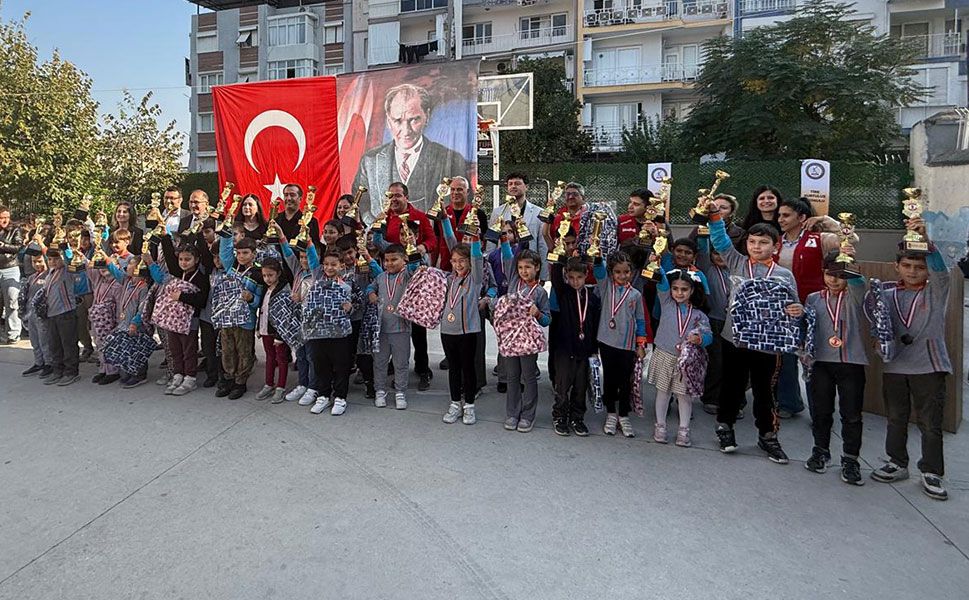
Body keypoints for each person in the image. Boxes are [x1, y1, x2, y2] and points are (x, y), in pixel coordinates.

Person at [707, 199, 803, 464]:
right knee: (732, 386)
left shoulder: (783, 275)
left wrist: (796, 310)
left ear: (775, 246)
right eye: (752, 242)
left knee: (764, 390)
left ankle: (768, 435)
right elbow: (719, 240)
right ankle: (725, 427)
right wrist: (714, 214)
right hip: (734, 338)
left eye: (763, 243)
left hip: (768, 344)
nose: (756, 247)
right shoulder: (737, 264)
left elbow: (794, 304)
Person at [870, 218, 952, 501]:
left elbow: (942, 272)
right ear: (897, 267)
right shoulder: (887, 293)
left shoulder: (936, 291)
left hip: (928, 367)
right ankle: (897, 462)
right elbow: (877, 323)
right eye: (907, 266)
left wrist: (925, 240)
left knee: (930, 423)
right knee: (896, 418)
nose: (913, 272)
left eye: (919, 267)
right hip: (895, 366)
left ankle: (931, 472)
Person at [353, 83, 470, 220]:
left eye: (414, 120)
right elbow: (361, 204)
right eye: (397, 120)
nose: (406, 130)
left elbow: (460, 207)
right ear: (388, 120)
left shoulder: (451, 160)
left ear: (427, 116)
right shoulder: (370, 161)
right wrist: (376, 227)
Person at [774, 197, 845, 418]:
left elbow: (850, 238)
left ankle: (820, 411)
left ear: (802, 217)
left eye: (786, 215)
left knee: (812, 361)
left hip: (812, 308)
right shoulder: (775, 241)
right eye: (779, 215)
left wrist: (825, 219)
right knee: (785, 358)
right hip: (784, 310)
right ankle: (789, 403)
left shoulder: (820, 239)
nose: (781, 219)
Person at [803, 251, 867, 486]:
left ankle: (851, 459)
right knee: (821, 411)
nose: (834, 280)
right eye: (830, 274)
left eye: (841, 275)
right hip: (821, 362)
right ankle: (820, 450)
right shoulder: (813, 298)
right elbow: (807, 329)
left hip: (850, 362)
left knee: (851, 414)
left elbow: (859, 283)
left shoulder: (855, 295)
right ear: (823, 273)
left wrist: (850, 261)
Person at [373, 181, 436, 390]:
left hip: (415, 279)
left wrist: (421, 247)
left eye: (398, 195)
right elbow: (379, 244)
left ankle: (422, 368)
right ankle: (394, 363)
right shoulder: (385, 217)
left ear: (406, 197)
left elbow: (432, 240)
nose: (394, 199)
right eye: (391, 196)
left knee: (418, 329)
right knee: (393, 325)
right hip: (393, 280)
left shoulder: (419, 216)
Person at [650, 267, 712, 448]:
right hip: (665, 355)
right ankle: (660, 425)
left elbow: (709, 335)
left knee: (684, 396)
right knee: (663, 392)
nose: (679, 293)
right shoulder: (666, 303)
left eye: (684, 289)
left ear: (692, 290)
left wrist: (700, 339)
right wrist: (658, 262)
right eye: (675, 288)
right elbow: (661, 282)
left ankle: (684, 429)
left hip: (686, 362)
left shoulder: (699, 314)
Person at [435, 176, 489, 371]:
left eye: (461, 189)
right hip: (456, 298)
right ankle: (454, 363)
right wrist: (443, 218)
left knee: (476, 341)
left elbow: (490, 284)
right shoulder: (456, 258)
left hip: (475, 303)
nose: (456, 193)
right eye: (454, 189)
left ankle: (477, 380)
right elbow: (448, 237)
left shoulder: (479, 262)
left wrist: (489, 296)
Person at [496, 244, 550, 433]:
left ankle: (528, 415)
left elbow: (547, 320)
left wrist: (537, 314)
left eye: (528, 267)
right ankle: (512, 413)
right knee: (511, 377)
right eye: (520, 267)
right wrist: (503, 237)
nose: (523, 271)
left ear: (537, 268)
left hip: (528, 342)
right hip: (510, 340)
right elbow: (508, 255)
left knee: (528, 377)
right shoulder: (513, 283)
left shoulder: (540, 292)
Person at [592, 250, 647, 438]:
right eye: (617, 272)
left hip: (627, 344)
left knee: (625, 381)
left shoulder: (636, 295)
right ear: (611, 273)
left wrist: (640, 343)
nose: (622, 276)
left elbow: (640, 320)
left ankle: (624, 414)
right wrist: (597, 256)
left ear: (631, 272)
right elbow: (598, 270)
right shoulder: (606, 286)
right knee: (610, 378)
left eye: (626, 272)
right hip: (606, 341)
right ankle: (611, 414)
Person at [150, 234, 210, 396]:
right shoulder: (178, 272)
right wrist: (164, 236)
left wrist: (182, 297)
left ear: (196, 260)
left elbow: (201, 300)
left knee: (188, 349)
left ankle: (190, 377)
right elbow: (169, 255)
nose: (184, 262)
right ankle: (178, 375)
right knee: (174, 348)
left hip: (190, 321)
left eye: (188, 259)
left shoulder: (201, 278)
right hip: (172, 319)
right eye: (181, 259)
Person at [439, 217, 484, 426]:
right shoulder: (449, 279)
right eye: (455, 261)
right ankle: (455, 403)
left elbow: (476, 259)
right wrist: (444, 220)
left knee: (468, 368)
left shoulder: (475, 279)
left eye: (462, 261)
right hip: (447, 330)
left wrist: (474, 238)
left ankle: (469, 406)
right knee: (454, 369)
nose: (458, 264)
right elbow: (450, 242)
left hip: (468, 332)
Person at [548, 257, 600, 437]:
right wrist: (560, 254)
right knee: (562, 386)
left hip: (584, 350)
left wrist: (594, 349)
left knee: (580, 387)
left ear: (586, 275)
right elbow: (555, 276)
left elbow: (594, 325)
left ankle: (577, 417)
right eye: (571, 277)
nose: (575, 281)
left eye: (579, 277)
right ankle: (560, 416)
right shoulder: (563, 293)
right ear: (566, 277)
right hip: (565, 349)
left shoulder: (592, 298)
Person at [302, 244, 355, 416]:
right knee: (320, 364)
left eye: (334, 264)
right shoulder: (318, 281)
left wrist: (350, 307)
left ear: (341, 266)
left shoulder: (347, 286)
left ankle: (340, 397)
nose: (329, 268)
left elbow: (359, 303)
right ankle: (323, 395)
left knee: (340, 365)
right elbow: (311, 259)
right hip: (318, 333)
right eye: (326, 264)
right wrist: (309, 243)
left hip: (339, 334)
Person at [367, 244, 418, 410]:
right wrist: (371, 293)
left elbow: (415, 266)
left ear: (404, 259)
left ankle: (400, 391)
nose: (389, 263)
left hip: (401, 328)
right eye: (386, 260)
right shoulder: (381, 277)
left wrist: (412, 244)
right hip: (381, 329)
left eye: (394, 259)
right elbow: (370, 287)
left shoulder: (407, 275)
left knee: (401, 362)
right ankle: (380, 390)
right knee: (380, 362)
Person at [217, 234, 265, 400]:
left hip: (245, 320)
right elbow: (224, 251)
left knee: (244, 352)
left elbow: (260, 300)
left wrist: (251, 298)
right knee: (227, 350)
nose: (241, 256)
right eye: (238, 253)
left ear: (254, 253)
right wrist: (226, 232)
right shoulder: (231, 267)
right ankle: (229, 379)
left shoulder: (258, 273)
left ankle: (240, 382)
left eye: (245, 253)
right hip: (227, 317)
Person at [489, 173, 549, 281]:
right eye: (510, 184)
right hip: (503, 264)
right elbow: (491, 242)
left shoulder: (538, 212)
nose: (513, 186)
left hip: (529, 267)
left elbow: (542, 245)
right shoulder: (498, 212)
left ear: (526, 186)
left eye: (517, 183)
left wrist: (543, 275)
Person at [695, 236, 731, 416]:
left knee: (732, 362)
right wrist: (704, 229)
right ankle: (711, 397)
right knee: (716, 360)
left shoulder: (735, 270)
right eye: (716, 253)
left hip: (732, 322)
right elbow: (703, 250)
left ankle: (734, 399)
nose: (720, 257)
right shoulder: (707, 268)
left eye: (723, 253)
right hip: (714, 320)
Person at [106, 254, 151, 388]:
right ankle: (129, 373)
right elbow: (114, 270)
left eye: (131, 264)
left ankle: (140, 375)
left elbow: (143, 307)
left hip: (136, 325)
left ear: (139, 267)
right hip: (124, 322)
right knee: (128, 349)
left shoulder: (143, 287)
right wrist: (104, 257)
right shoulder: (126, 281)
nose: (127, 266)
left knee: (137, 349)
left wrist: (135, 322)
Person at [44, 247, 83, 386]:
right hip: (51, 314)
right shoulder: (50, 272)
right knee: (55, 344)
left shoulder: (66, 271)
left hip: (66, 312)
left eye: (56, 259)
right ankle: (57, 370)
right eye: (50, 259)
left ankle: (71, 372)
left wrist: (64, 248)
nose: (53, 262)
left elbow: (68, 259)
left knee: (68, 344)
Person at [254, 258, 290, 403]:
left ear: (278, 274)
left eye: (270, 275)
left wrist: (280, 335)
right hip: (265, 329)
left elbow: (284, 315)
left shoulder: (283, 290)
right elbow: (262, 309)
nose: (267, 279)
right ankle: (269, 384)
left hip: (277, 333)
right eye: (264, 275)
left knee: (281, 359)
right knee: (269, 357)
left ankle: (280, 387)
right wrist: (258, 327)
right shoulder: (265, 289)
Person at [22, 252, 52, 377]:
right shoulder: (31, 277)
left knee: (44, 339)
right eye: (34, 262)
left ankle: (48, 363)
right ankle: (38, 362)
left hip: (42, 313)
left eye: (40, 261)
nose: (37, 264)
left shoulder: (49, 275)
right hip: (31, 312)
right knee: (34, 339)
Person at [0, 206, 24, 344]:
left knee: (11, 299)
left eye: (7, 217)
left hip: (10, 267)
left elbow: (18, 247)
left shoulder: (15, 229)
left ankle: (13, 333)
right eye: (2, 217)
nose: (5, 220)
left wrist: (2, 245)